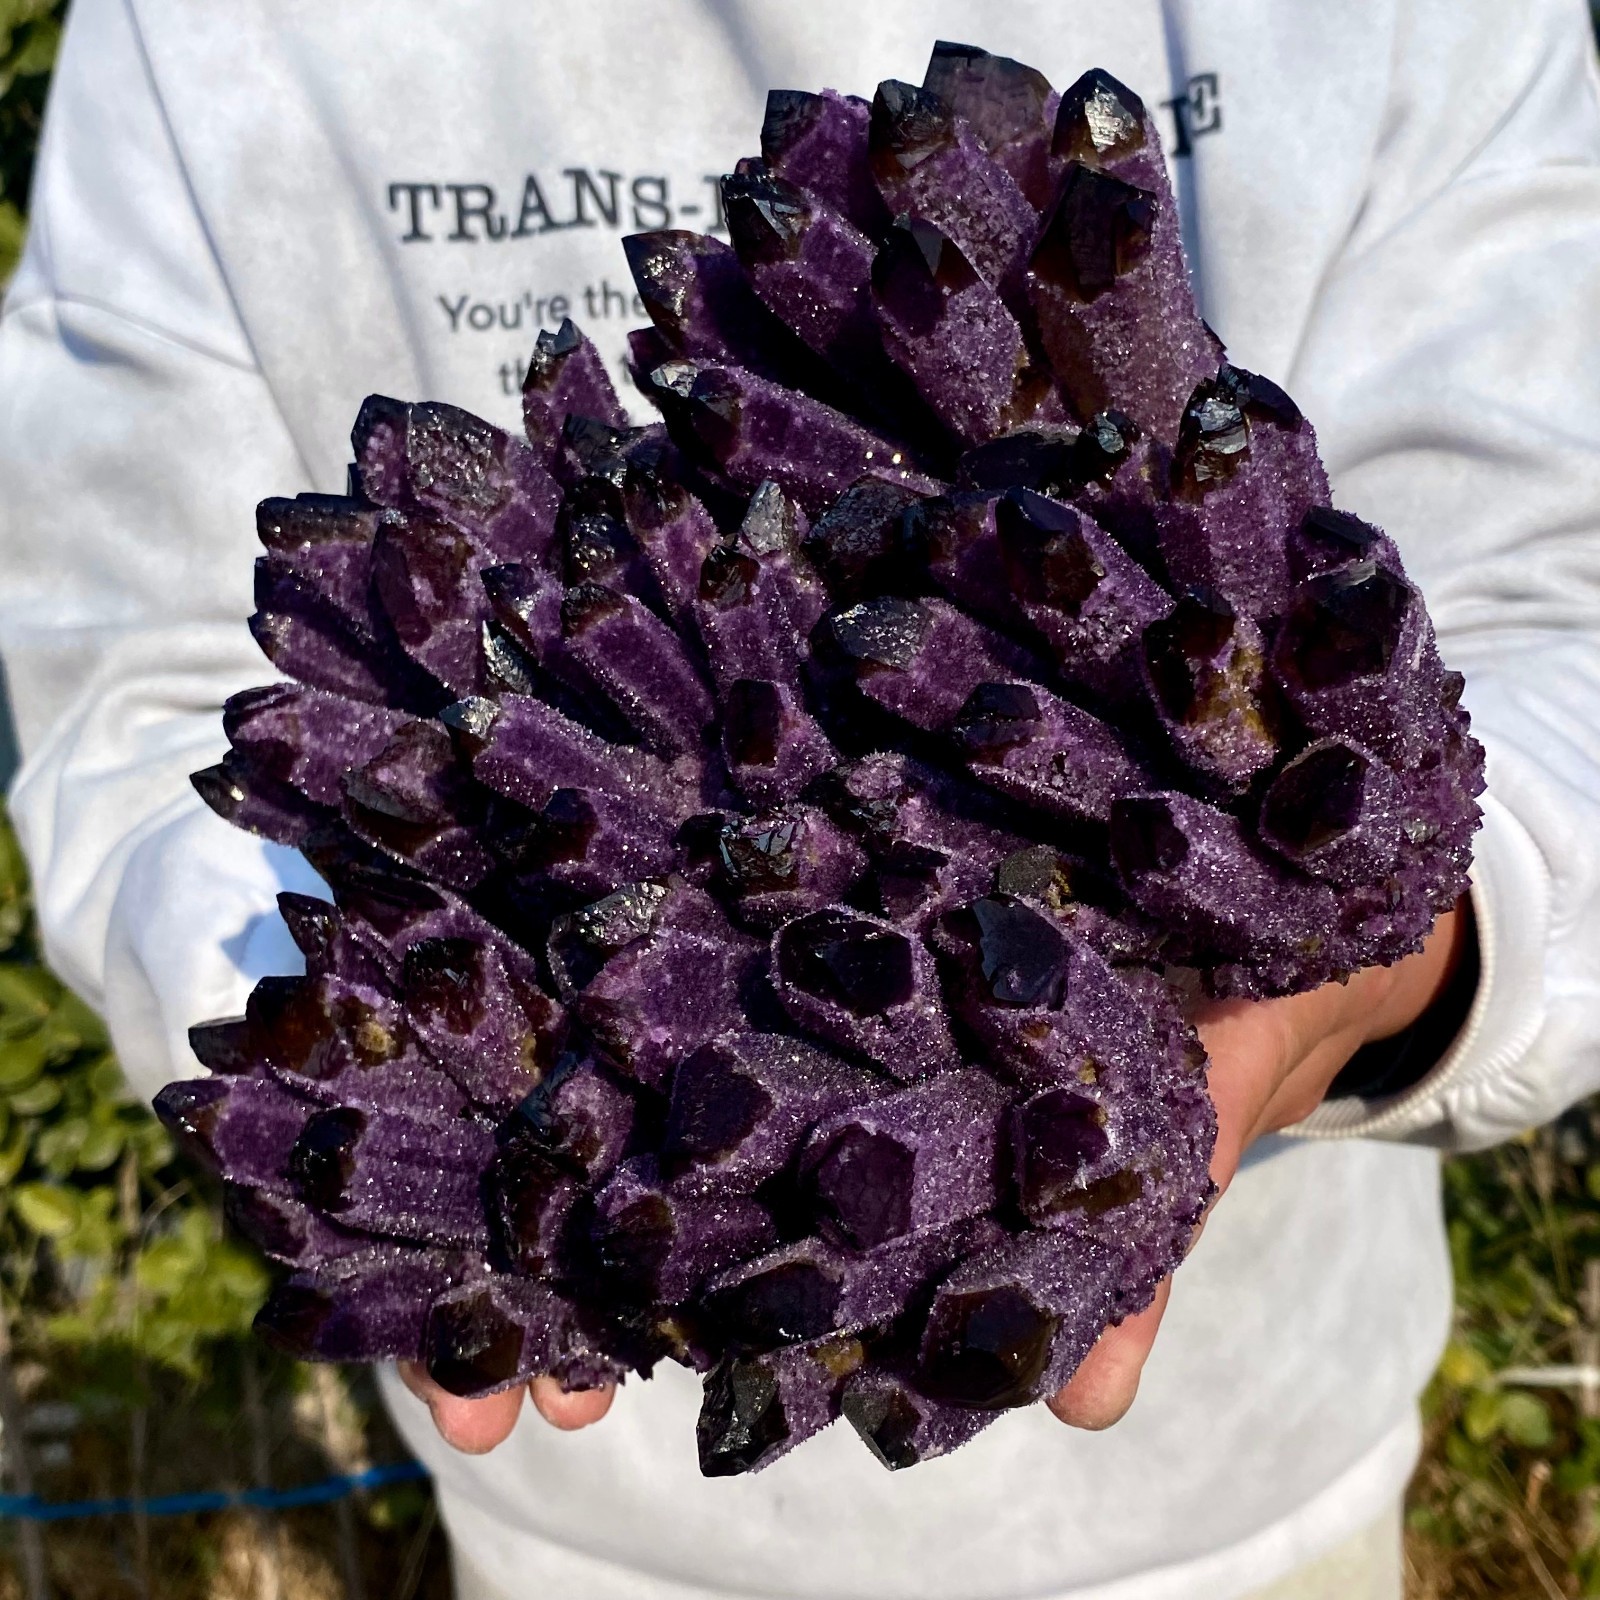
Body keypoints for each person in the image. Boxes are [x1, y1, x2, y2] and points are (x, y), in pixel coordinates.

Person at [4, 1, 1600, 1596]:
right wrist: (375, 1063)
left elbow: (1565, 598)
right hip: (604, 1548)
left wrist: (1435, 936)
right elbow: (123, 690)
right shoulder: (202, 32)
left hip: (1258, 1489)